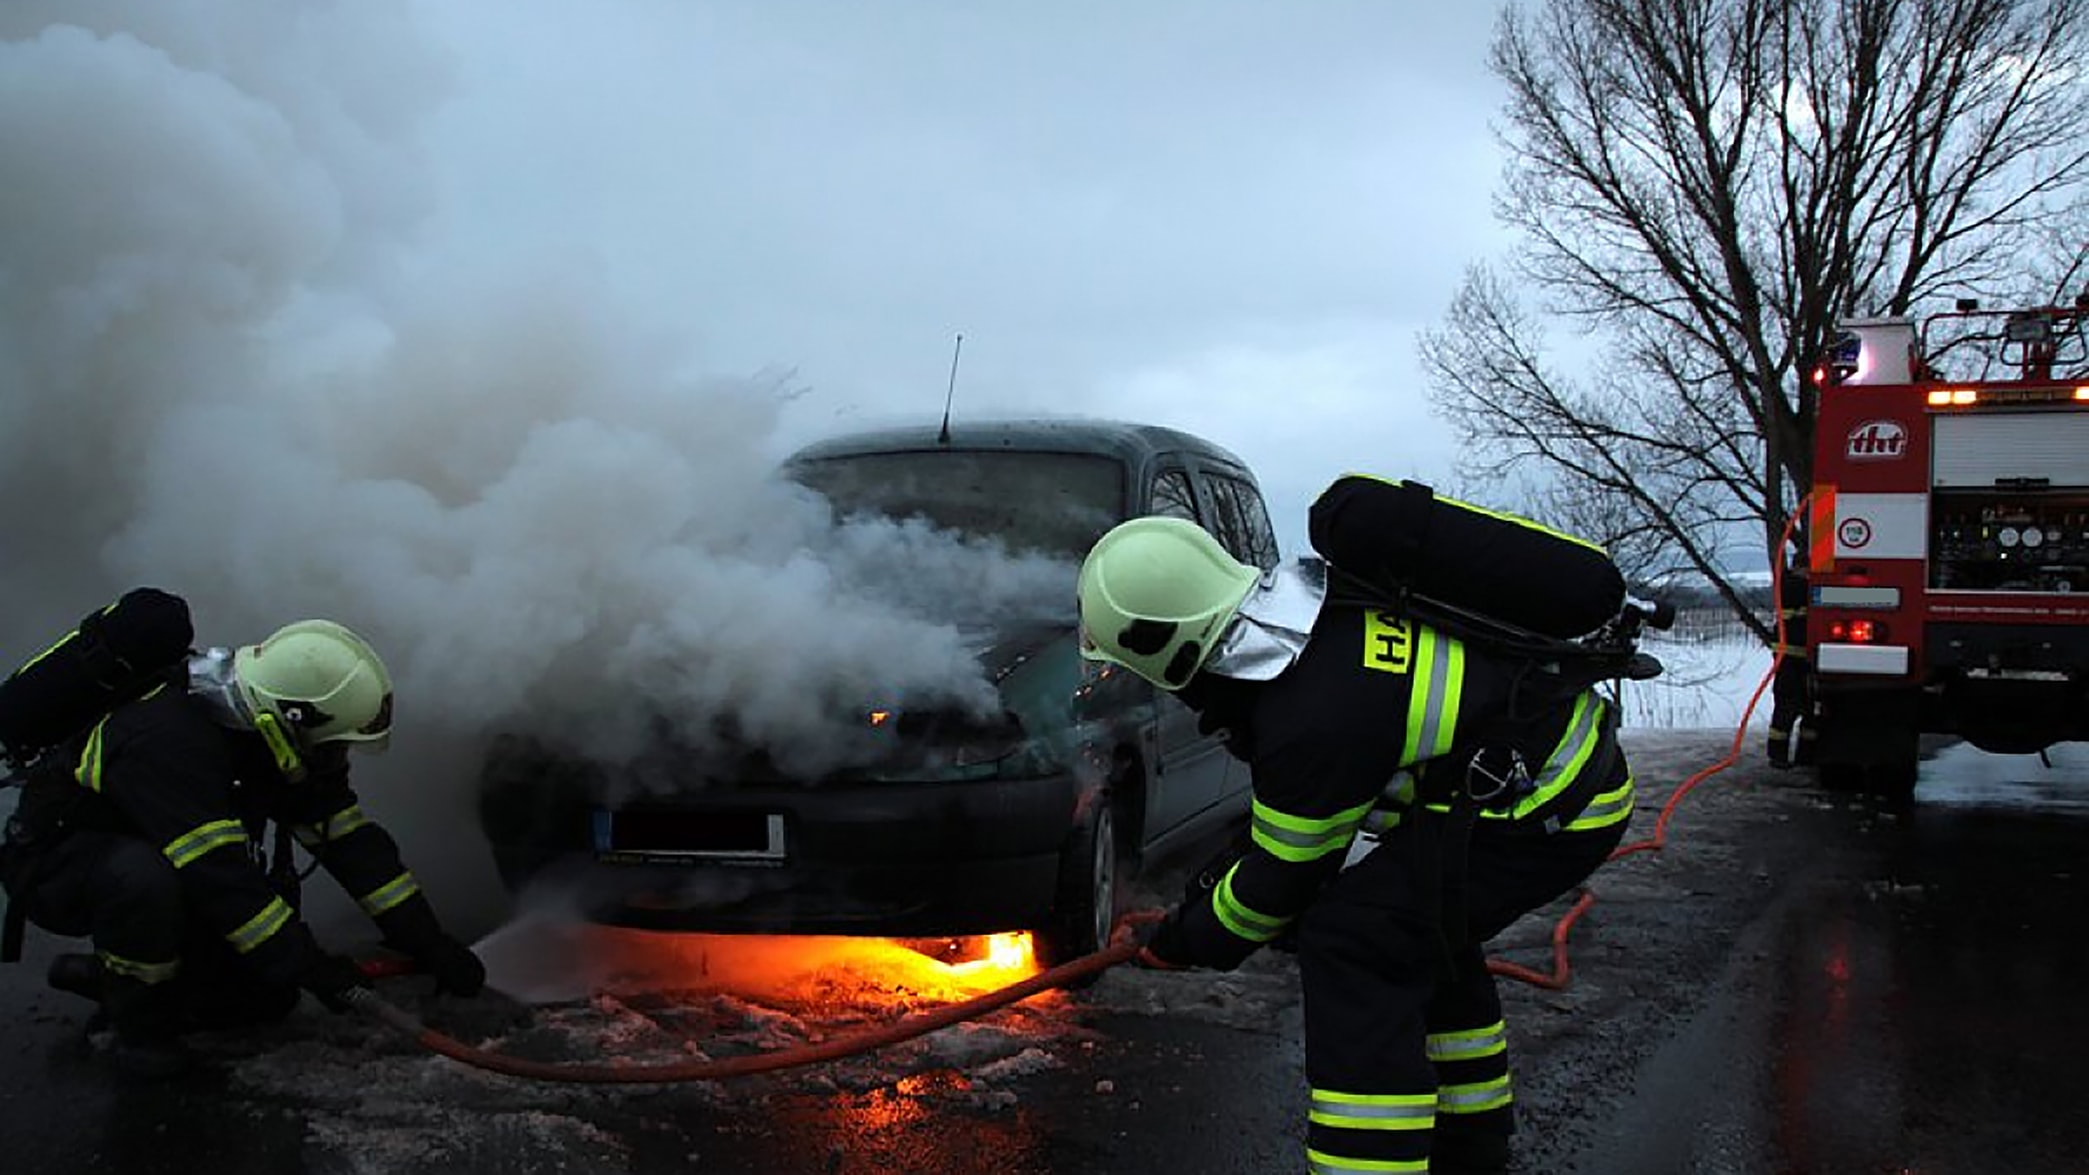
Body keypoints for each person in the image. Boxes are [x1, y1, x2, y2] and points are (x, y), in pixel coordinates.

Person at [1077, 501, 1634, 1175]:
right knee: (1417, 929)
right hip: (1545, 776)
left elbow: (1278, 882)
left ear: (1161, 646)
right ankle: (1470, 1141)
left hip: (1551, 804)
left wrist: (1183, 940)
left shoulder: (1306, 714)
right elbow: (1287, 839)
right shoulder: (1315, 613)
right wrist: (1194, 907)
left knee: (1356, 938)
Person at [0, 616, 484, 1079]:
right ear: (289, 717)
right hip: (62, 866)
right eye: (332, 743)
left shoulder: (273, 736)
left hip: (179, 862)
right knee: (142, 879)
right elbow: (224, 883)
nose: (336, 757)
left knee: (264, 999)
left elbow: (348, 840)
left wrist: (425, 940)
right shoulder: (169, 739)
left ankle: (112, 977)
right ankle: (138, 1025)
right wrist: (314, 966)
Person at [1765, 554, 1814, 769]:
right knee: (1787, 707)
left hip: (1796, 658)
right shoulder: (1794, 587)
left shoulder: (1788, 585)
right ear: (1798, 568)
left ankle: (1804, 755)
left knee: (1808, 709)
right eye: (1807, 570)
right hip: (1791, 659)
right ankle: (1779, 756)